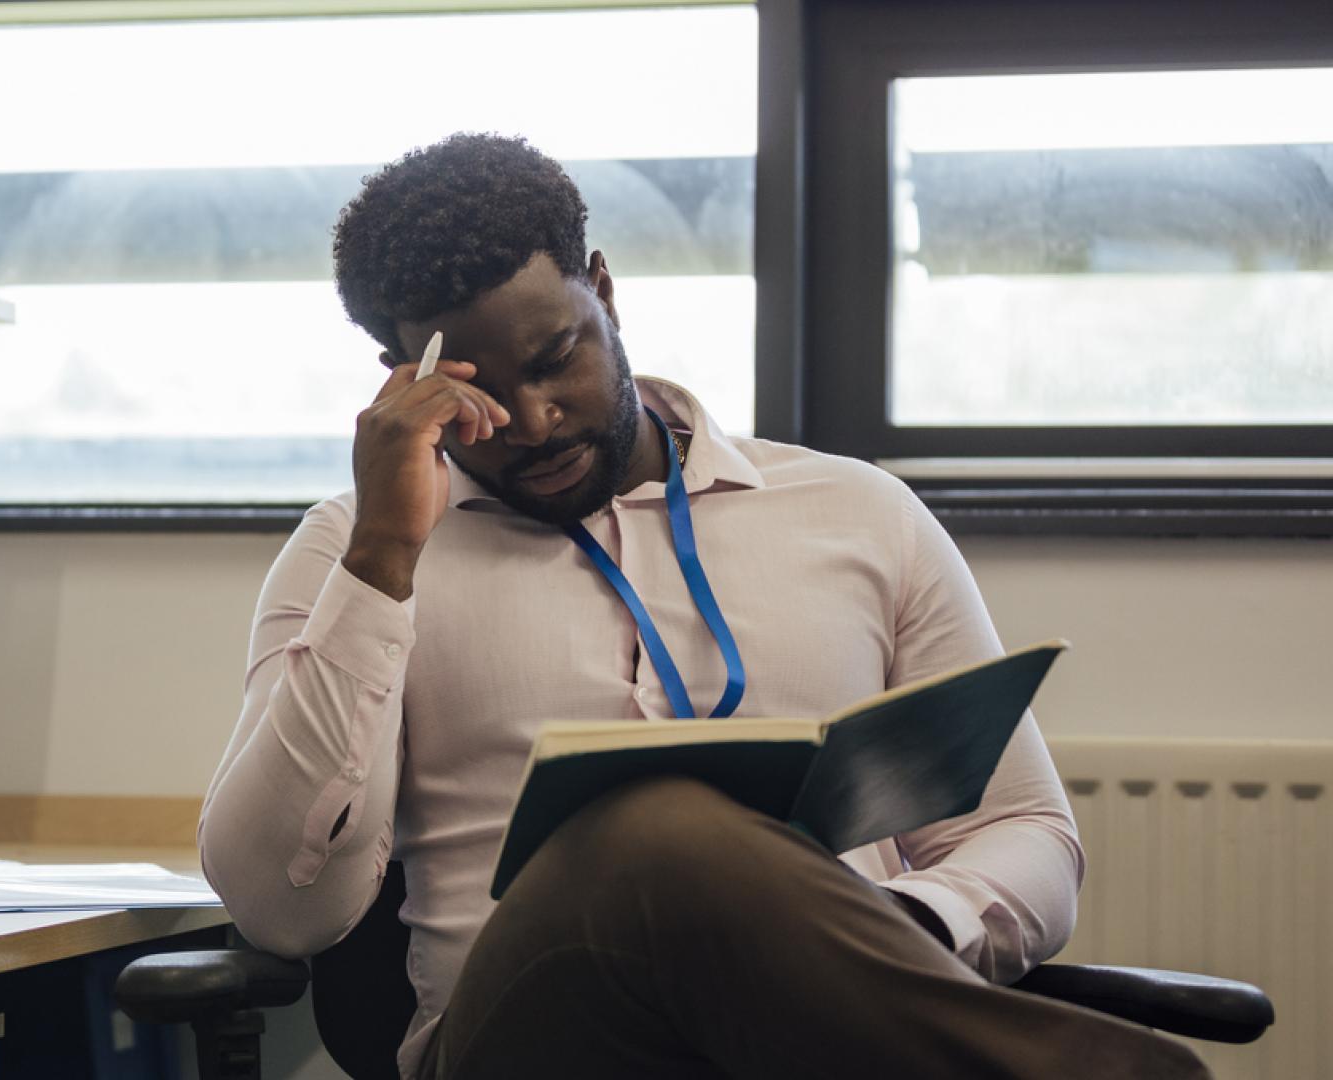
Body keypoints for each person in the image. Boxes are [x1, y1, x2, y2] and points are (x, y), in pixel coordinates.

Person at [198, 133, 1205, 1079]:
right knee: (649, 832)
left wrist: (897, 929)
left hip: (802, 1045)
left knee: (689, 860)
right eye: (480, 398)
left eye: (555, 361)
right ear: (401, 384)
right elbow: (281, 912)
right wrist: (384, 556)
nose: (535, 421)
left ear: (602, 291)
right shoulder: (357, 549)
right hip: (523, 1041)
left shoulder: (857, 514)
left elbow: (1025, 832)